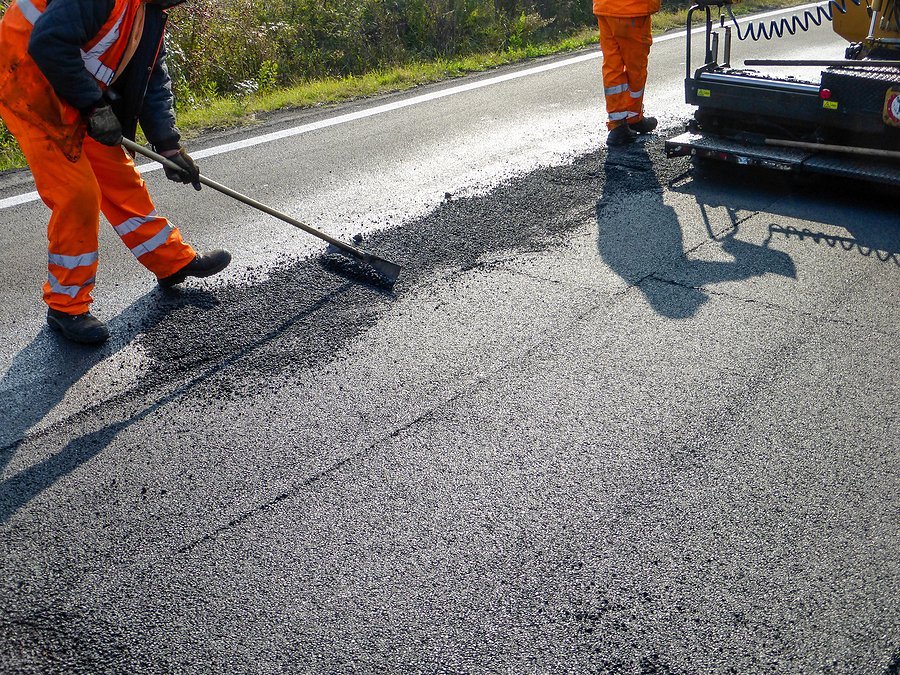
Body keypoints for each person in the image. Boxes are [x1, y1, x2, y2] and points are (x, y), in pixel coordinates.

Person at [0, 0, 231, 345]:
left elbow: (150, 77)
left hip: (72, 88)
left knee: (120, 177)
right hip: (30, 84)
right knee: (77, 195)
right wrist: (93, 106)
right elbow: (49, 42)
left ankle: (170, 261)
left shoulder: (148, 11)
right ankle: (66, 306)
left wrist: (168, 146)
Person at [594, 0, 660, 146]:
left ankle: (617, 124)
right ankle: (634, 117)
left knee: (612, 66)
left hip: (605, 7)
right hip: (631, 9)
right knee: (636, 68)